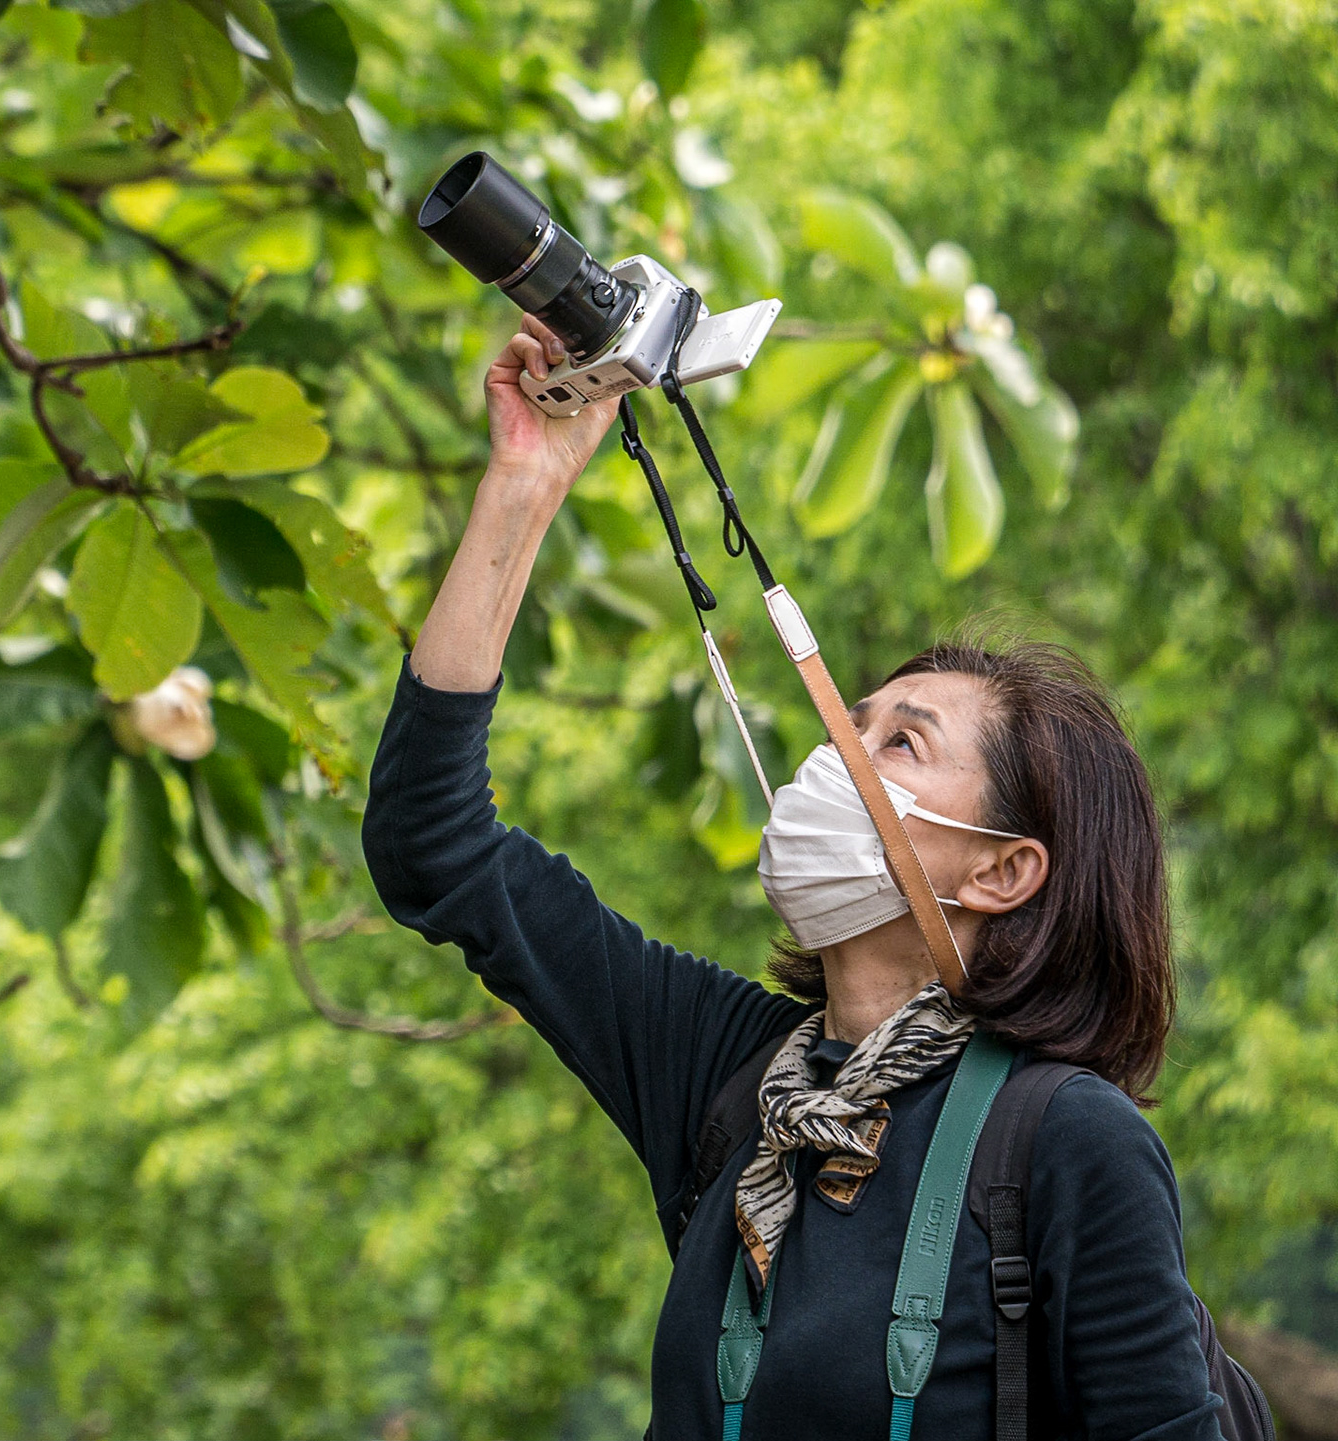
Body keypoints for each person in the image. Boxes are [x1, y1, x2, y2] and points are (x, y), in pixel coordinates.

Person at [360, 314, 1224, 1439]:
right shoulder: (729, 1078)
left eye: (898, 742)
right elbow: (435, 847)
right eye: (849, 723)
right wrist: (525, 482)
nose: (835, 756)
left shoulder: (1067, 1146)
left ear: (1005, 872)